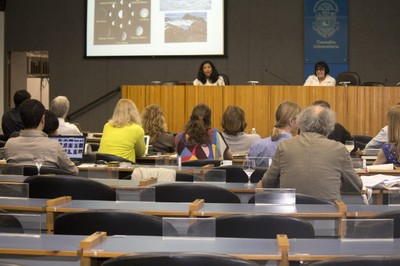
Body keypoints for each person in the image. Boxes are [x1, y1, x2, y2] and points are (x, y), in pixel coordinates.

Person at [258, 105, 362, 202]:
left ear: (301, 122)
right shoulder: (339, 149)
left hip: (290, 216)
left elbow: (267, 183)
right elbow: (356, 186)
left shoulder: (285, 146)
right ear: (329, 126)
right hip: (329, 217)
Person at [4, 99, 79, 175]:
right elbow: (73, 171)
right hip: (47, 186)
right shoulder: (54, 146)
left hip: (18, 186)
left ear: (21, 119)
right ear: (43, 119)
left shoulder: (10, 144)